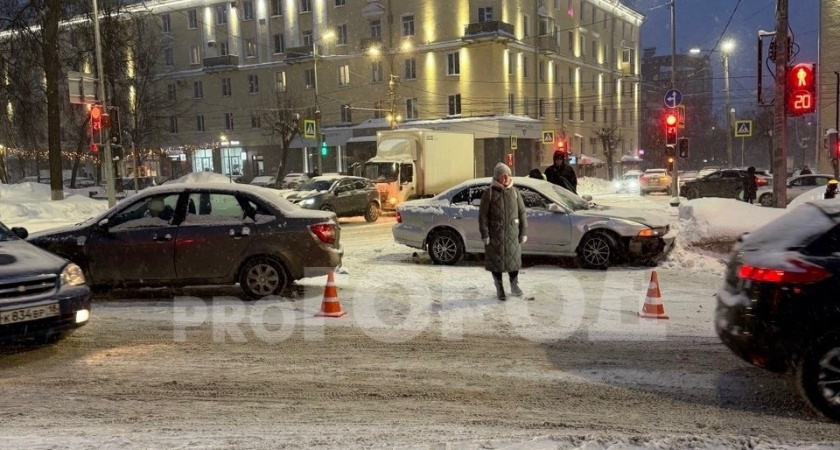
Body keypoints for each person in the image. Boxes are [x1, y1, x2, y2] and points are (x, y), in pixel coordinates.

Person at [479, 163, 527, 301]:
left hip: (512, 234)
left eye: (508, 175)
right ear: (497, 177)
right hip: (495, 235)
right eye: (502, 175)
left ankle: (514, 285)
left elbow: (522, 213)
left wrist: (523, 232)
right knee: (496, 263)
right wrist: (485, 234)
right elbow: (483, 216)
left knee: (513, 261)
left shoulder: (515, 192)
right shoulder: (489, 193)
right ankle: (499, 287)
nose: (506, 178)